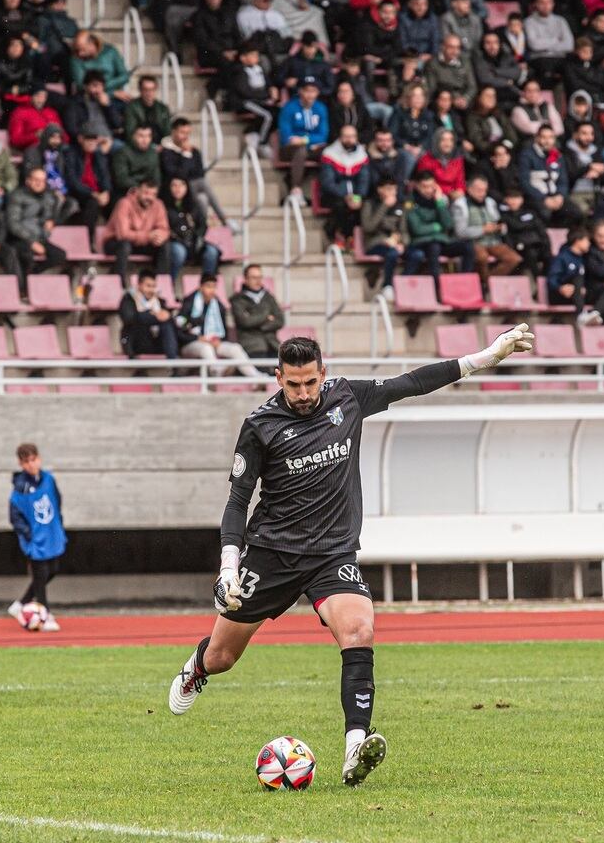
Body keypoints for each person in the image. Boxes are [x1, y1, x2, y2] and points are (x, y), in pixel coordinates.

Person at [167, 327, 537, 786]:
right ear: (277, 377)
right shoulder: (260, 426)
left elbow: (412, 382)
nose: (303, 393)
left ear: (323, 373)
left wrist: (484, 357)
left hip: (332, 553)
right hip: (271, 555)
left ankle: (354, 746)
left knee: (360, 628)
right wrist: (228, 566)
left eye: (311, 382)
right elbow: (238, 502)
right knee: (223, 656)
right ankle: (195, 669)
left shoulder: (348, 398)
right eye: (293, 384)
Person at [7, 442, 65, 633]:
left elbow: (57, 500)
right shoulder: (20, 490)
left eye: (34, 460)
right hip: (35, 539)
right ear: (21, 464)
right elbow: (15, 517)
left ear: (38, 459)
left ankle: (21, 603)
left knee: (53, 570)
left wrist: (58, 524)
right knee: (40, 576)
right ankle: (44, 614)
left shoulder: (48, 479)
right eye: (26, 462)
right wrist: (28, 534)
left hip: (51, 533)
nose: (31, 465)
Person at [176, 272, 267, 377]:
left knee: (235, 348)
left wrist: (218, 340)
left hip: (213, 342)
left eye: (214, 287)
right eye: (208, 286)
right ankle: (218, 371)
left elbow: (224, 332)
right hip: (191, 344)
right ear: (200, 287)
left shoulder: (218, 306)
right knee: (206, 348)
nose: (211, 290)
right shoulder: (188, 304)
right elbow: (179, 330)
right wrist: (197, 338)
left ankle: (255, 377)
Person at [230, 264, 286, 358]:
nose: (258, 280)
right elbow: (245, 322)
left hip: (273, 345)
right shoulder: (237, 299)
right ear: (246, 279)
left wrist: (256, 324)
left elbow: (280, 320)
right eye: (254, 277)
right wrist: (266, 317)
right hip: (251, 347)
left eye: (260, 277)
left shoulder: (269, 297)